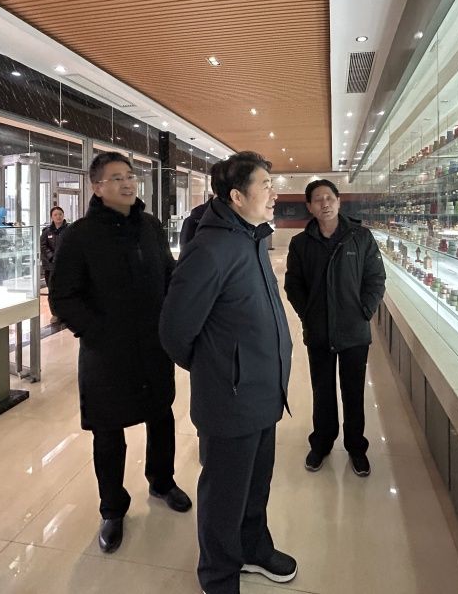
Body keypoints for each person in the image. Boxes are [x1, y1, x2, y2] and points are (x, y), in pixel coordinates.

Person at [160, 151, 295, 594]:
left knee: (255, 485)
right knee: (224, 494)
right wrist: (220, 369)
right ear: (237, 196)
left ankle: (253, 548)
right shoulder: (211, 249)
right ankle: (218, 576)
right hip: (231, 399)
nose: (273, 194)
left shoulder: (251, 238)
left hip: (263, 393)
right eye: (265, 185)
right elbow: (175, 331)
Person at [50, 152, 191, 555]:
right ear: (97, 187)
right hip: (106, 352)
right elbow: (63, 296)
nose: (128, 183)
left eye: (130, 176)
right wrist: (97, 332)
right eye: (116, 178)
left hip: (153, 344)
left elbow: (168, 273)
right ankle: (112, 508)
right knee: (108, 432)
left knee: (161, 416)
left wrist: (171, 316)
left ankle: (162, 481)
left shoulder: (149, 226)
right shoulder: (80, 235)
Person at [284, 179, 386, 477]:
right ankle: (321, 442)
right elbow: (293, 285)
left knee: (353, 392)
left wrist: (364, 311)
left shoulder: (360, 237)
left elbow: (376, 278)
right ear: (309, 206)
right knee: (322, 391)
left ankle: (356, 447)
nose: (324, 204)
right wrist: (309, 315)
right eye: (318, 199)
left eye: (329, 198)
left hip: (354, 331)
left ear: (339, 201)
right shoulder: (301, 243)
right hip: (319, 331)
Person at [40, 205, 68, 323]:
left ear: (63, 215)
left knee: (66, 290)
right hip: (50, 267)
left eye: (60, 214)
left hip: (66, 266)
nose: (58, 217)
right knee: (52, 291)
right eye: (55, 215)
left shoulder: (70, 230)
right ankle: (55, 313)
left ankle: (67, 313)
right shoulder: (47, 231)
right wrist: (52, 256)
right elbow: (43, 246)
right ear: (51, 217)